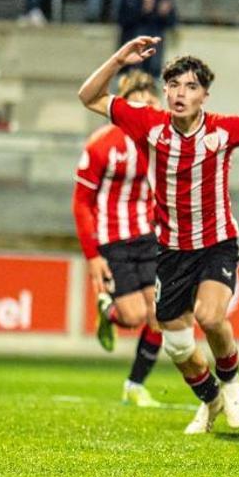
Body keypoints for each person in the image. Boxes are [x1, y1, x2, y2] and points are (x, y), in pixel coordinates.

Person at [77, 35, 239, 434]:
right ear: (165, 91)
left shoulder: (224, 130)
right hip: (170, 250)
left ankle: (233, 383)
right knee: (178, 346)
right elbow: (88, 96)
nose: (181, 93)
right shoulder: (147, 124)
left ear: (205, 95)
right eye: (174, 86)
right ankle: (211, 400)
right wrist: (119, 59)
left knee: (210, 315)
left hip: (217, 243)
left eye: (191, 87)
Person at [73, 71, 164, 407]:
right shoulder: (102, 143)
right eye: (138, 101)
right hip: (113, 241)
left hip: (149, 239)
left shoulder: (160, 142)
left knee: (161, 315)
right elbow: (81, 202)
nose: (147, 107)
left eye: (151, 100)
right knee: (132, 316)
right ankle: (109, 311)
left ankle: (135, 385)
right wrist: (92, 254)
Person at [117, 0, 177, 78]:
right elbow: (122, 20)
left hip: (154, 59)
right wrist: (143, 10)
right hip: (131, 58)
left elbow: (172, 23)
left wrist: (165, 14)